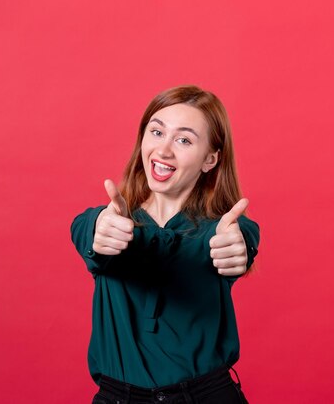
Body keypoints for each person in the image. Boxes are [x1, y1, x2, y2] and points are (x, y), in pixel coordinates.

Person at [71, 85, 260, 404]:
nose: (164, 150)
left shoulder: (220, 231)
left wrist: (238, 245)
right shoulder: (112, 222)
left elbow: (241, 237)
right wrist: (100, 227)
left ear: (210, 160)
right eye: (156, 132)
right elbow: (87, 231)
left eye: (184, 139)